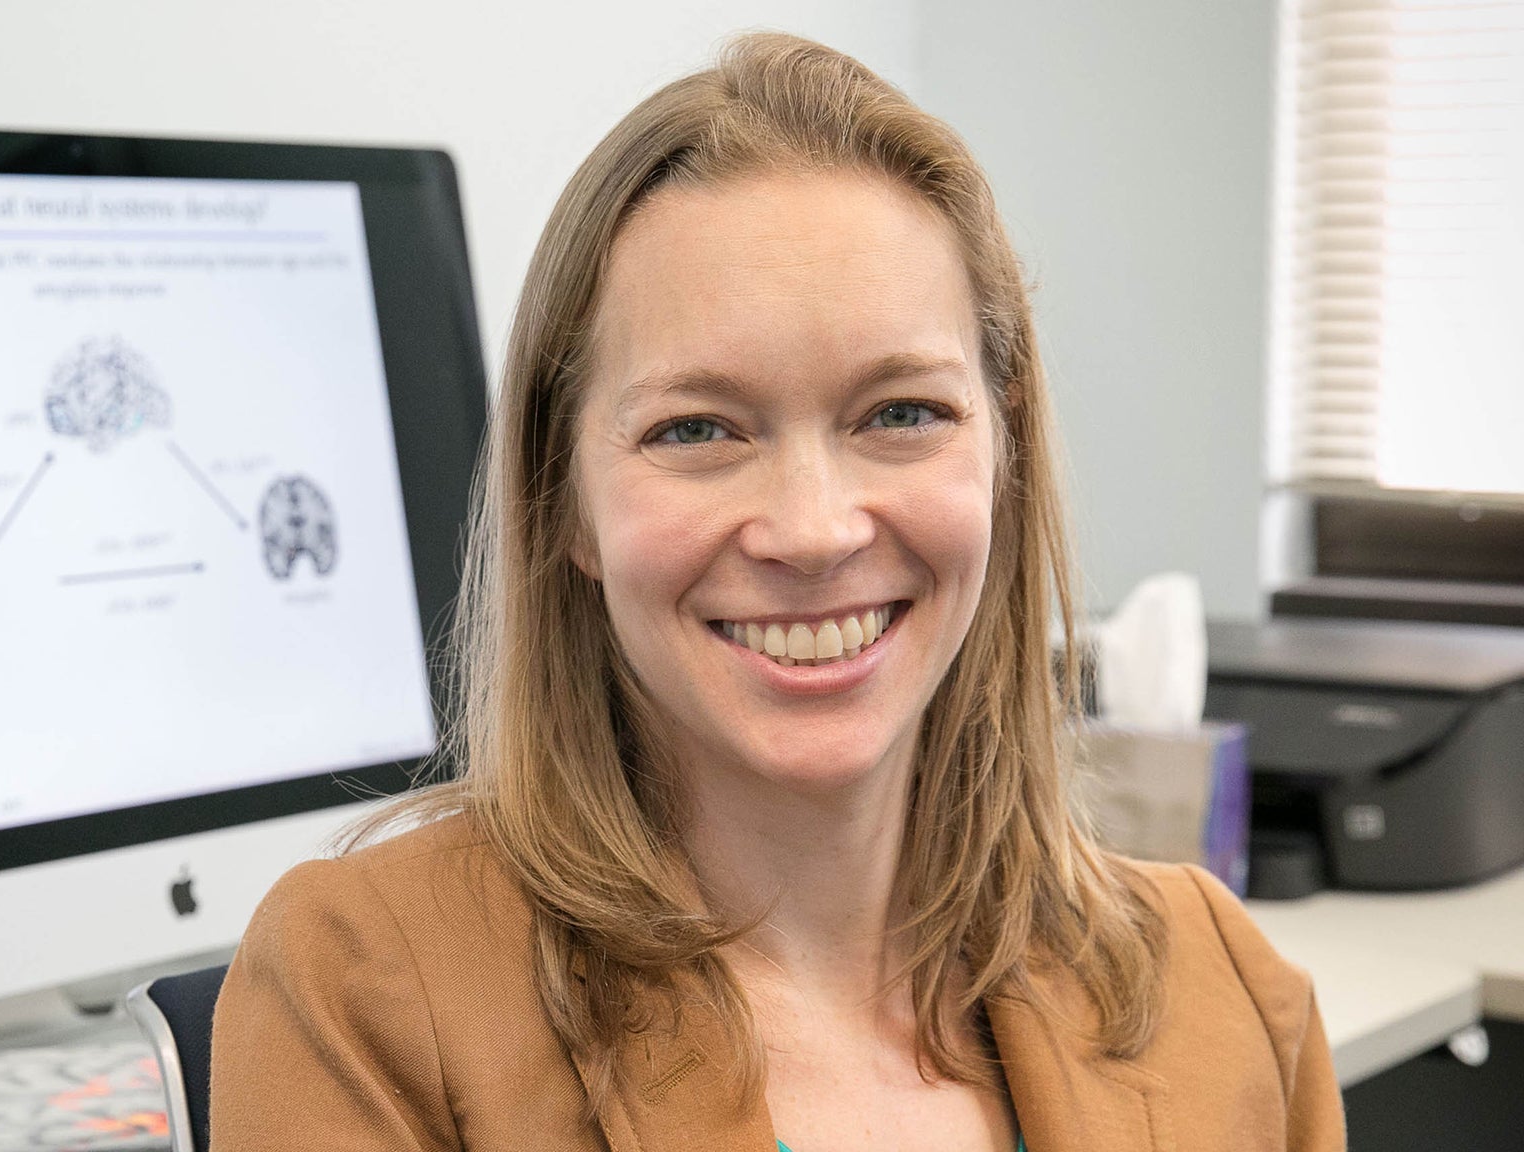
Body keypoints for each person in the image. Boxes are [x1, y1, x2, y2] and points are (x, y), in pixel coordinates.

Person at [210, 32, 1344, 1152]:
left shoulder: (1224, 996)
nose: (812, 531)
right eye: (694, 429)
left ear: (1002, 450)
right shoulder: (368, 989)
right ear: (563, 501)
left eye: (900, 413)